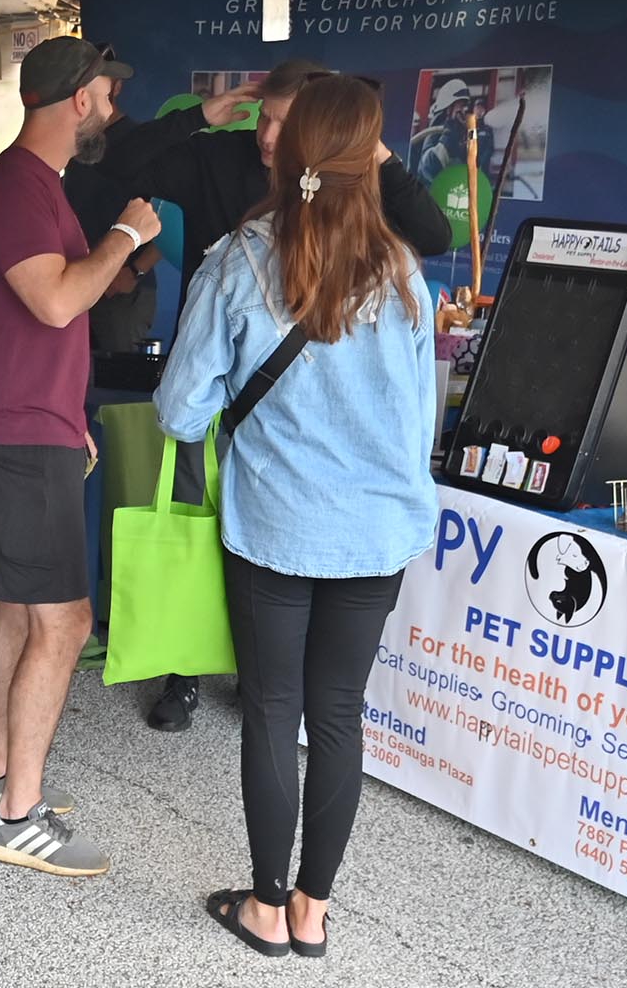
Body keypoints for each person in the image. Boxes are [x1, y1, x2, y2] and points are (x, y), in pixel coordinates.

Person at [155, 74, 436, 957]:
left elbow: (178, 412)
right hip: (379, 533)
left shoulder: (242, 259)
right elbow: (416, 417)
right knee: (338, 715)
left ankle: (265, 908)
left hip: (275, 524)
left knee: (274, 709)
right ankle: (314, 912)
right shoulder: (404, 272)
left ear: (295, 149)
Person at [102, 58, 449, 733]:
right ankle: (186, 669)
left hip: (291, 433)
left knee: (288, 676)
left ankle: (264, 684)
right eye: (267, 116)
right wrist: (199, 116)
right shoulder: (218, 164)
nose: (270, 135)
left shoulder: (366, 217)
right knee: (205, 547)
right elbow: (116, 161)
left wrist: (365, 148)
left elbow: (433, 233)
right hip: (228, 410)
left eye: (289, 123)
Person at [0, 36, 159, 877]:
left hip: (32, 422)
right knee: (66, 622)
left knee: (14, 604)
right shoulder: (17, 186)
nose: (113, 107)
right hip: (17, 431)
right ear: (80, 98)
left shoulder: (39, 187)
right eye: (108, 92)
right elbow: (54, 298)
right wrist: (122, 232)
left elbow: (78, 286)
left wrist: (119, 258)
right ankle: (17, 816)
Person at [60, 45, 160, 355]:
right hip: (75, 285)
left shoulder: (142, 142)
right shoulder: (76, 144)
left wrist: (134, 271)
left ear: (116, 87)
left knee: (117, 390)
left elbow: (168, 216)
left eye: (102, 83)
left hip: (121, 293)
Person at [409, 77, 493, 188]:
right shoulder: (435, 133)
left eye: (465, 106)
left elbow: (475, 168)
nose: (464, 111)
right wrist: (447, 140)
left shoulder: (464, 132)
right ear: (448, 108)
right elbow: (428, 170)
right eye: (461, 106)